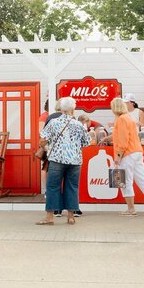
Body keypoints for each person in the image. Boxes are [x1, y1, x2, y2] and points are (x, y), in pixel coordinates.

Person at [35, 97, 89, 226]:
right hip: (75, 161)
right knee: (72, 187)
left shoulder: (54, 122)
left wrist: (47, 147)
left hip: (57, 159)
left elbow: (42, 140)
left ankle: (50, 217)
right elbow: (86, 142)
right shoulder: (79, 124)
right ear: (73, 109)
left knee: (53, 187)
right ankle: (71, 217)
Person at [111, 97, 144, 217]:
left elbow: (123, 140)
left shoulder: (121, 119)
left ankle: (131, 209)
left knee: (125, 181)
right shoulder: (128, 118)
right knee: (142, 179)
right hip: (136, 151)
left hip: (126, 154)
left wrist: (118, 156)